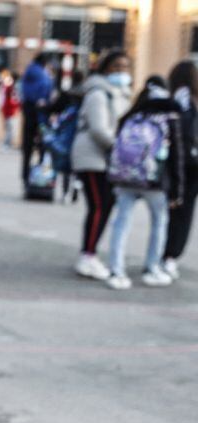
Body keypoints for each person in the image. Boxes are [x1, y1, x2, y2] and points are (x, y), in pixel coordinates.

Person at [105, 77, 185, 289]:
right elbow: (177, 156)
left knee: (121, 223)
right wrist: (177, 190)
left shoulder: (132, 114)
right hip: (155, 180)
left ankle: (116, 270)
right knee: (159, 222)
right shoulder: (169, 116)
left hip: (125, 178)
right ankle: (152, 268)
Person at [71, 49, 132, 280]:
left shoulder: (119, 93)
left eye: (125, 67)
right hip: (92, 157)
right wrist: (120, 148)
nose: (121, 72)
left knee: (104, 206)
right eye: (116, 67)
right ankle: (87, 256)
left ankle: (90, 253)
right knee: (99, 206)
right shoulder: (98, 92)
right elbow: (98, 129)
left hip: (105, 158)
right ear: (105, 68)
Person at [163, 60, 198, 279]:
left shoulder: (171, 98)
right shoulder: (188, 102)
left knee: (170, 213)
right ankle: (170, 256)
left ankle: (164, 255)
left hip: (172, 164)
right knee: (182, 214)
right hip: (189, 165)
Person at [44, 69, 85, 202]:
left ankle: (64, 192)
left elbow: (59, 117)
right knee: (75, 170)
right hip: (78, 139)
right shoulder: (85, 99)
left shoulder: (70, 104)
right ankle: (74, 193)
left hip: (67, 139)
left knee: (65, 169)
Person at [20, 53, 55, 188]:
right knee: (42, 147)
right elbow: (46, 92)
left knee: (27, 149)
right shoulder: (42, 75)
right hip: (40, 116)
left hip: (29, 114)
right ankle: (40, 178)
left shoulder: (29, 72)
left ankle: (25, 176)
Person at [0, 68, 21, 150]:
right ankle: (7, 143)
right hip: (9, 109)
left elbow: (14, 98)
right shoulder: (10, 87)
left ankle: (8, 143)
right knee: (10, 127)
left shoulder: (11, 87)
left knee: (11, 127)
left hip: (10, 109)